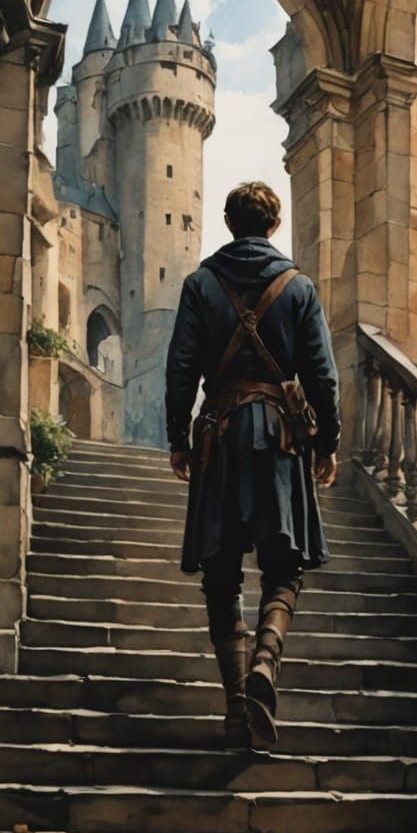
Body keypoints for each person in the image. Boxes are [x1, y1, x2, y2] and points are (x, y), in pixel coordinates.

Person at [165, 180, 339, 746]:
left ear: (226, 222)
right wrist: (327, 442)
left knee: (221, 575)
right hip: (281, 438)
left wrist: (178, 439)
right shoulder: (299, 288)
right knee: (283, 567)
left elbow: (180, 370)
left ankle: (239, 704)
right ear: (273, 225)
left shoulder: (199, 284)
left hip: (217, 435)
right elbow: (321, 375)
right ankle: (267, 657)